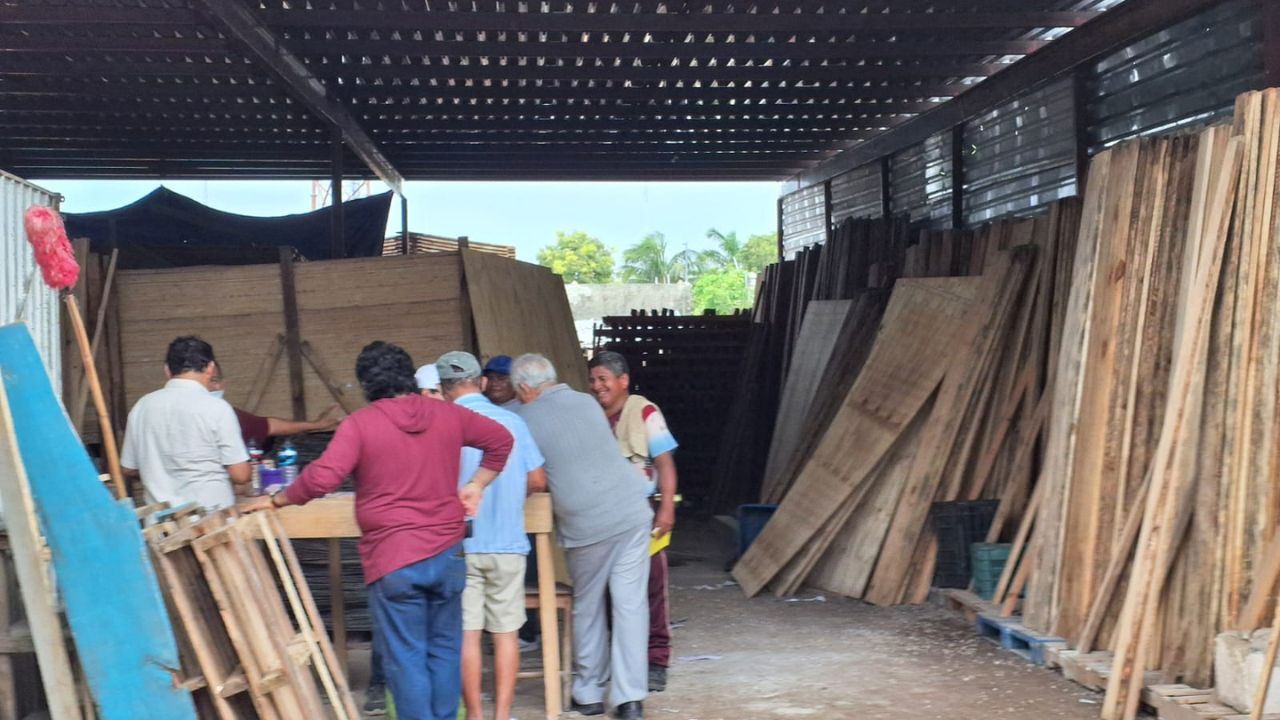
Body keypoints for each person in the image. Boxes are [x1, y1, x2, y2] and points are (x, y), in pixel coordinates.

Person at [241, 341, 514, 720]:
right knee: (444, 650)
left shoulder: (361, 424)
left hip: (394, 560)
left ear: (367, 384)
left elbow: (323, 477)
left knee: (407, 658)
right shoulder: (448, 415)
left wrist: (276, 500)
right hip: (449, 554)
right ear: (408, 376)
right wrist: (478, 484)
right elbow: (501, 440)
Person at [511, 353, 651, 720]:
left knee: (589, 606)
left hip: (589, 525)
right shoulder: (587, 402)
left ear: (525, 389)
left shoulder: (523, 418)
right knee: (629, 606)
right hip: (633, 511)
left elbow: (534, 477)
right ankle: (630, 700)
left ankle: (589, 693)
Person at [436, 351, 547, 720]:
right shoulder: (513, 422)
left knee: (467, 634)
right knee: (505, 634)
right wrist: (511, 493)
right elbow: (537, 480)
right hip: (508, 544)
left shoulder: (443, 424)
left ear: (442, 388)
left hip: (460, 547)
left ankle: (474, 715)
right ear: (481, 383)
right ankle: (501, 715)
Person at [587, 351, 679, 693]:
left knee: (651, 586)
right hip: (602, 514)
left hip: (643, 511)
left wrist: (666, 509)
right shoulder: (590, 415)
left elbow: (665, 463)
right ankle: (620, 658)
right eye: (593, 380)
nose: (597, 387)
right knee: (608, 591)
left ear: (623, 381)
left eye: (603, 380)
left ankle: (655, 659)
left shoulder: (645, 413)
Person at [120, 336, 250, 511]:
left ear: (167, 370)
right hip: (213, 523)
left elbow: (128, 468)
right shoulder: (217, 408)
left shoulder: (142, 407)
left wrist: (161, 472)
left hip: (163, 527)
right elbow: (241, 475)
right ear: (210, 368)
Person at [208, 362, 341, 452]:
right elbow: (240, 475)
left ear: (223, 383)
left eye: (215, 380)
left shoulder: (229, 414)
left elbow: (268, 425)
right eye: (207, 382)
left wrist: (315, 425)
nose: (212, 387)